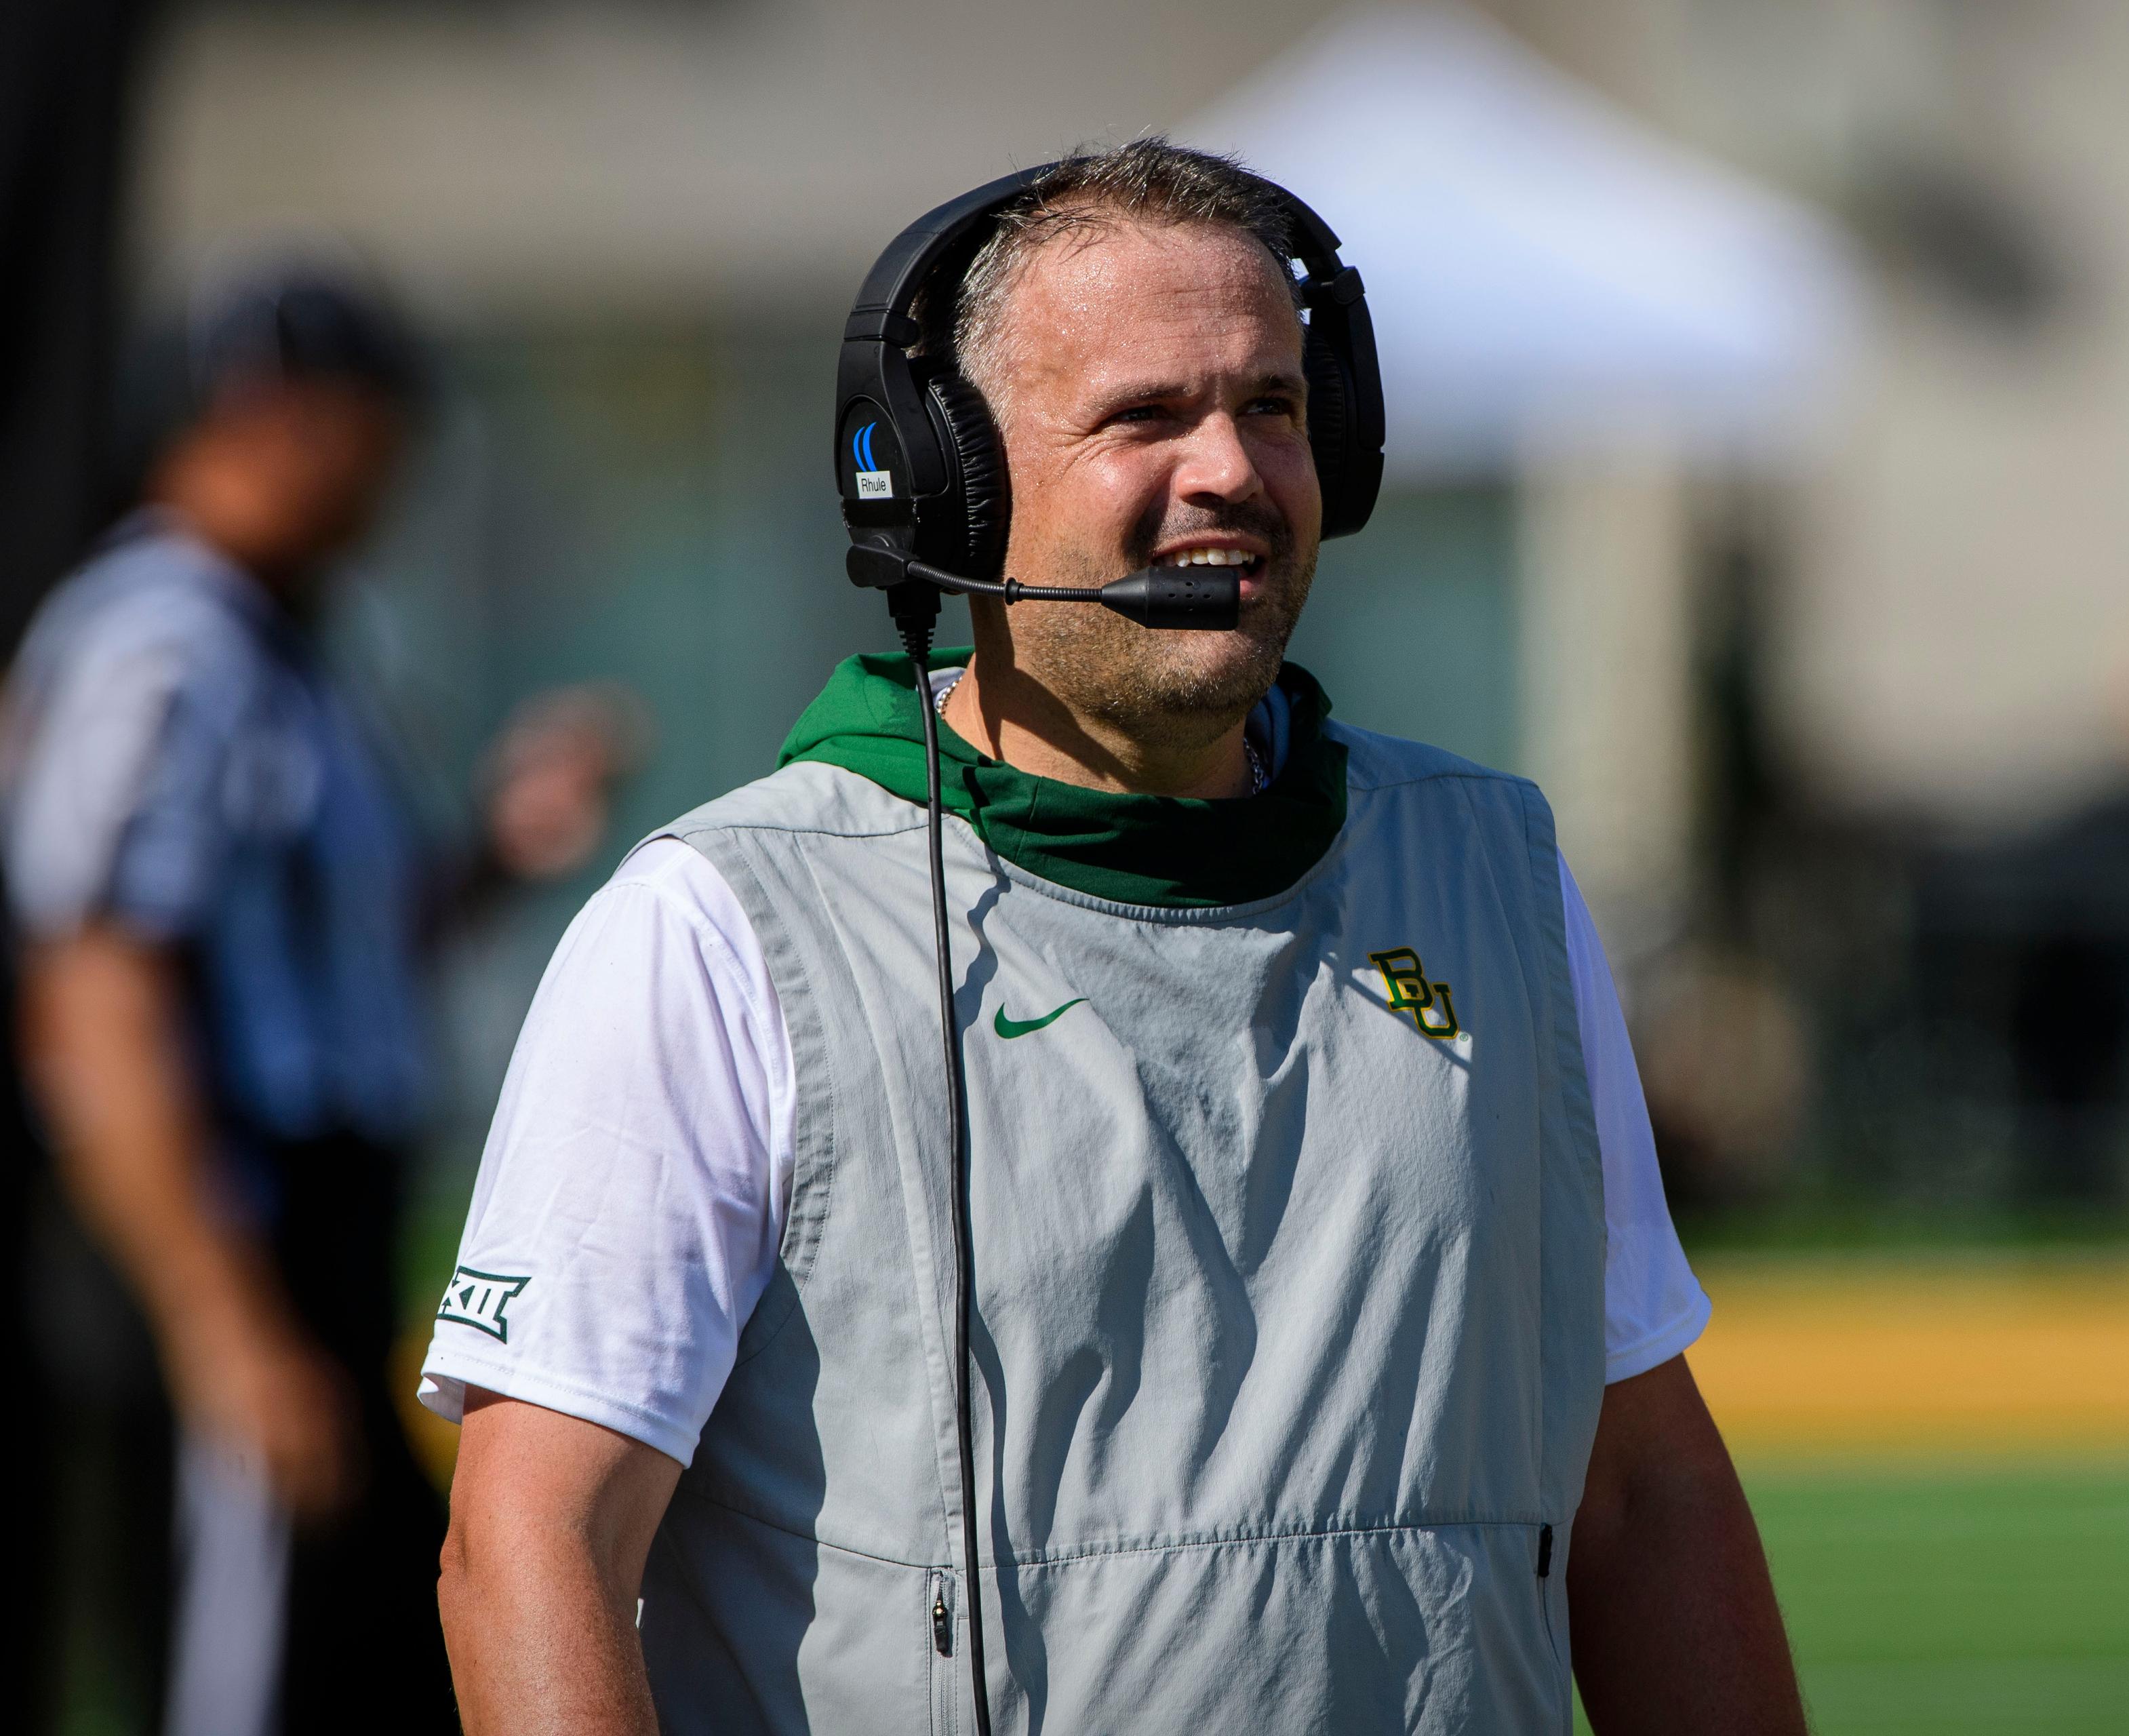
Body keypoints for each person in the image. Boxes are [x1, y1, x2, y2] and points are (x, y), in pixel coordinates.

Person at [431, 141, 1806, 1735]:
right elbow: (534, 1537)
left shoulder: (1498, 876)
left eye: (1273, 407)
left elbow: (1640, 1485)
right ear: (944, 481)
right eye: (1145, 416)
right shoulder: (722, 928)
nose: (1230, 468)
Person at [3, 261, 629, 1736]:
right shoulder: (166, 636)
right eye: (379, 422)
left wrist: (486, 855)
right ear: (277, 413)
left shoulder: (281, 635)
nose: (400, 467)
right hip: (228, 1230)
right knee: (240, 1676)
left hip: (316, 1236)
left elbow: (320, 943)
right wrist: (223, 1322)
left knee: (352, 1664)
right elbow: (97, 984)